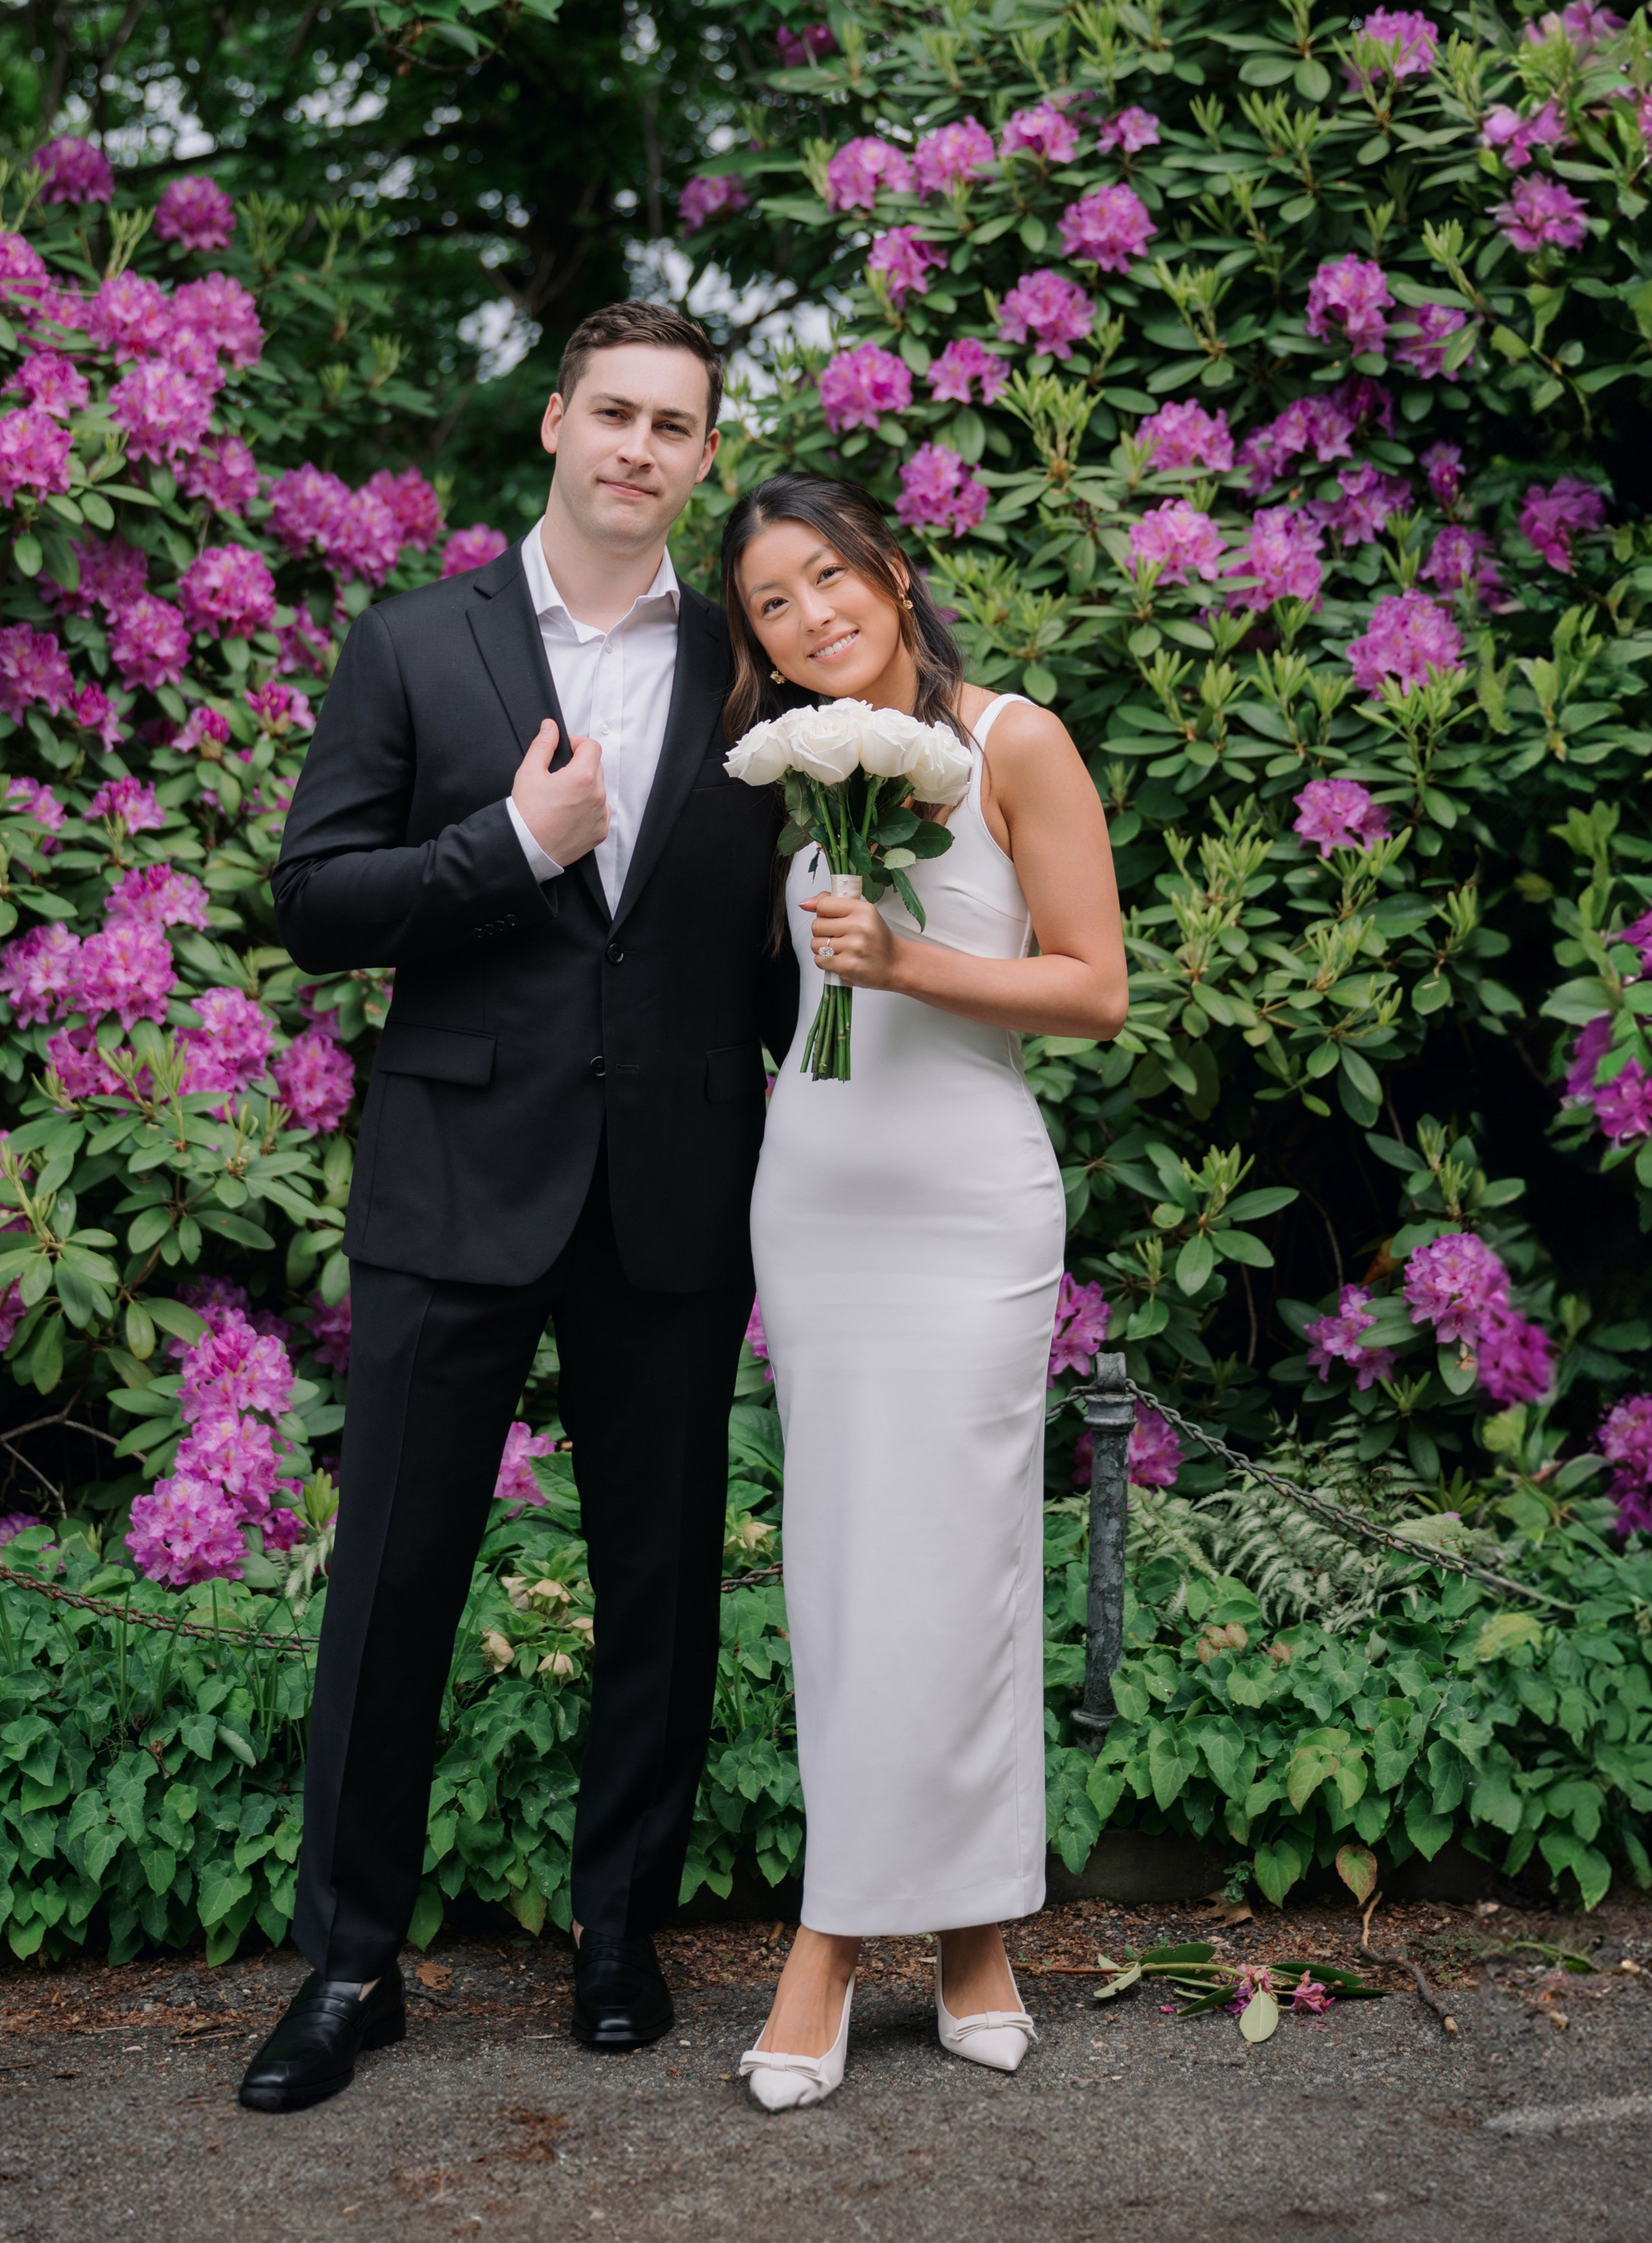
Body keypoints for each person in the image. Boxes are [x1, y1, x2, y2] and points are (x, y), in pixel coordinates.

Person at [237, 301, 796, 2116]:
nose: (639, 447)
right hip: (453, 1178)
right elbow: (313, 898)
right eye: (612, 411)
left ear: (702, 456)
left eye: (674, 424)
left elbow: (774, 949)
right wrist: (508, 848)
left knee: (659, 1583)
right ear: (555, 423)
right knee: (393, 1580)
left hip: (675, 1188)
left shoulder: (752, 665)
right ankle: (347, 1965)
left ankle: (619, 1935)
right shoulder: (416, 640)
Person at [722, 475, 1128, 2112]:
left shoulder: (1014, 740)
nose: (811, 613)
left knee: (962, 1568)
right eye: (772, 602)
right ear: (757, 643)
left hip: (968, 1203)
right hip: (818, 1196)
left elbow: (1093, 987)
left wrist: (908, 963)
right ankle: (905, 1929)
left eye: (829, 575)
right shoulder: (780, 767)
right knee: (838, 1569)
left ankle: (918, 1937)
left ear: (892, 573)